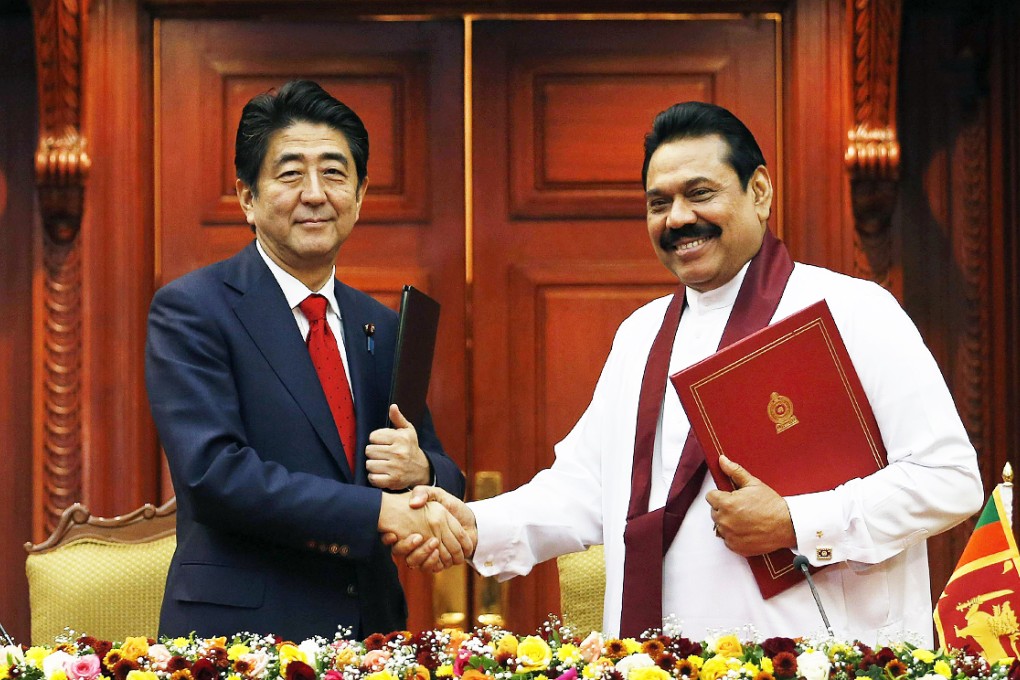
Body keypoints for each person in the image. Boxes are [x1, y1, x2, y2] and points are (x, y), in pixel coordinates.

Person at [390, 102, 984, 645]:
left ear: (760, 192)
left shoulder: (852, 311)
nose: (678, 218)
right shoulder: (641, 334)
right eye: (658, 202)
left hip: (822, 653)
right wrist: (475, 525)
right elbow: (587, 489)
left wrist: (797, 521)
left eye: (700, 193)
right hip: (653, 657)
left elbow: (950, 480)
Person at [145, 79, 469, 641]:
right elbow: (214, 475)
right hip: (242, 638)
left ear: (361, 195)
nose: (315, 193)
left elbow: (439, 465)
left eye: (335, 173)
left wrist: (424, 473)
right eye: (291, 173)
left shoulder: (383, 324)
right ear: (247, 196)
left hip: (372, 634)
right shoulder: (192, 310)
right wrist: (379, 513)